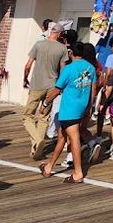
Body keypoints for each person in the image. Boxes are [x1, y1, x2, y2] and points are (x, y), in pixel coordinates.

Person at [38, 41, 97, 184]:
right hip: (82, 107)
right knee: (62, 137)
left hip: (69, 109)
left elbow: (57, 89)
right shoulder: (91, 68)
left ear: (71, 53)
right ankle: (49, 167)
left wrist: (45, 103)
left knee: (74, 139)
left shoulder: (68, 69)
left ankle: (78, 172)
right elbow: (93, 90)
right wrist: (89, 107)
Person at [22, 22, 67, 159]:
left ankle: (37, 141)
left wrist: (25, 78)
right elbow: (63, 70)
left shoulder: (39, 44)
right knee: (43, 117)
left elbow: (28, 65)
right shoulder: (62, 49)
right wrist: (60, 87)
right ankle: (37, 149)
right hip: (51, 86)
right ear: (59, 34)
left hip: (36, 84)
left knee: (27, 116)